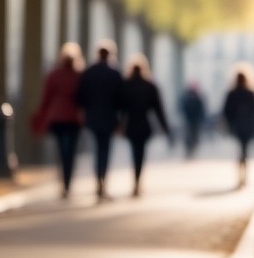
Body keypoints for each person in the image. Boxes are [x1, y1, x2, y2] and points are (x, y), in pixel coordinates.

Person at [31, 42, 84, 198]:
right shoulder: (79, 76)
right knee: (71, 152)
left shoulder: (53, 75)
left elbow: (46, 97)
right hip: (74, 118)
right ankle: (68, 181)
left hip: (58, 117)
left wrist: (42, 113)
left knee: (61, 151)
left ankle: (63, 181)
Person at [75, 39, 124, 200]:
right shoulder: (115, 73)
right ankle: (103, 181)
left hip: (93, 117)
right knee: (106, 149)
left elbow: (81, 96)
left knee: (97, 149)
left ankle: (98, 180)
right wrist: (120, 119)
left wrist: (85, 111)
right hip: (109, 118)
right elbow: (120, 99)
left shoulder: (89, 72)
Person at [121, 54, 170, 197]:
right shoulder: (150, 86)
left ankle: (135, 180)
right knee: (140, 153)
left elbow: (120, 106)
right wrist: (165, 127)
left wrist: (118, 123)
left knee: (134, 152)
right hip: (144, 124)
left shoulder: (126, 85)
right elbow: (158, 109)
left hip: (131, 124)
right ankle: (138, 181)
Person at [221, 65, 254, 188]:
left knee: (241, 149)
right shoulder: (250, 93)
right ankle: (244, 175)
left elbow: (226, 111)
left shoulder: (232, 93)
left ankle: (241, 175)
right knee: (245, 150)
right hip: (248, 126)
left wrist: (229, 123)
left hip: (237, 126)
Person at [178, 81, 206, 157]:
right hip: (190, 120)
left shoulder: (196, 98)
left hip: (194, 121)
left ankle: (192, 148)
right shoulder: (188, 98)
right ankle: (190, 148)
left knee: (193, 135)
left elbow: (201, 109)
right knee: (190, 135)